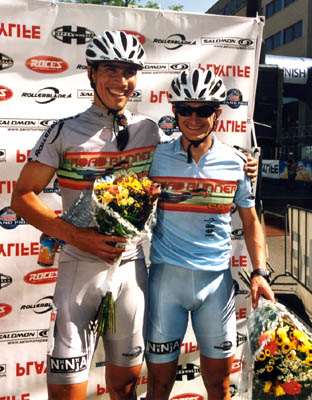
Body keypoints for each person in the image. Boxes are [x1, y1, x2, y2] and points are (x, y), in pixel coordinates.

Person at [11, 31, 258, 399]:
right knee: (66, 391)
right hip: (79, 266)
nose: (120, 80)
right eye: (110, 69)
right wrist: (78, 237)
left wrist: (243, 163)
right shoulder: (63, 131)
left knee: (125, 388)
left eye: (129, 71)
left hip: (130, 267)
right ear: (91, 74)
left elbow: (195, 150)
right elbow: (21, 197)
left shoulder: (148, 131)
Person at [145, 68, 275, 400]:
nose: (193, 118)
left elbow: (249, 222)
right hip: (165, 284)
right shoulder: (155, 158)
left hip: (216, 287)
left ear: (217, 114)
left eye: (203, 110)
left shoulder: (236, 162)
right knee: (159, 386)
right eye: (185, 109)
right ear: (173, 111)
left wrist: (260, 272)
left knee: (218, 386)